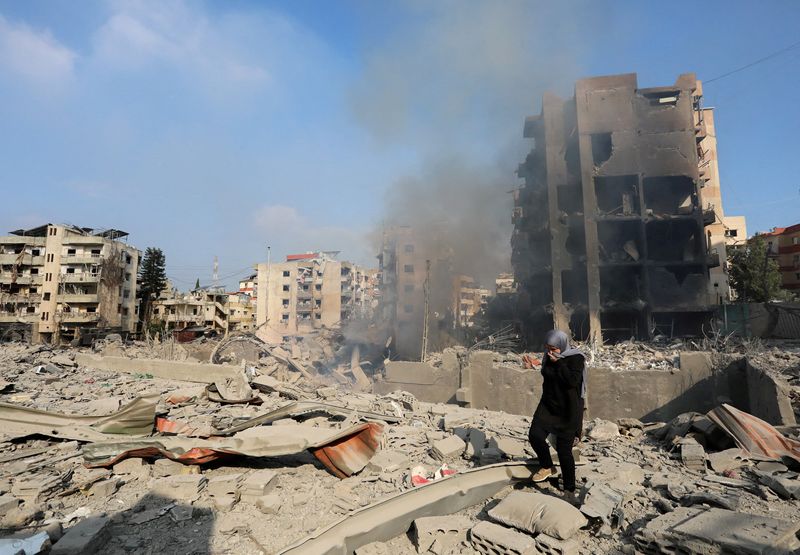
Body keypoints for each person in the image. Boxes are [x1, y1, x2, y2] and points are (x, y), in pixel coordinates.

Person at [528, 329, 586, 496]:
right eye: (547, 348)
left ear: (562, 345)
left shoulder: (576, 358)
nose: (550, 352)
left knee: (564, 451)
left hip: (568, 409)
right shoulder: (548, 357)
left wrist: (559, 363)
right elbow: (546, 374)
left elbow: (572, 381)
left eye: (553, 348)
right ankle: (547, 466)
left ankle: (569, 490)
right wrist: (534, 364)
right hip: (548, 405)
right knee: (535, 435)